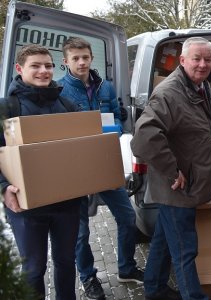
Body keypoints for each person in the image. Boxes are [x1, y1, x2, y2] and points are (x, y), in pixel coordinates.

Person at [131, 37, 211, 300]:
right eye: (196, 59)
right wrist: (171, 170)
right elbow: (143, 137)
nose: (202, 65)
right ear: (182, 61)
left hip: (190, 181)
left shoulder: (200, 85)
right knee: (185, 249)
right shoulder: (169, 93)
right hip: (178, 185)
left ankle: (154, 288)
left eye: (208, 60)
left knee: (165, 240)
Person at [58, 36, 143, 300]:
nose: (82, 62)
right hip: (76, 169)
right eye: (76, 58)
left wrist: (116, 127)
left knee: (127, 217)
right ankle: (88, 277)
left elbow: (117, 114)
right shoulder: (59, 90)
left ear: (91, 58)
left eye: (85, 57)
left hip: (105, 162)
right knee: (80, 232)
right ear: (66, 62)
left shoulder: (105, 87)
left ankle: (126, 268)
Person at [0, 44, 85, 300]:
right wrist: (4, 187)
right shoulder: (7, 108)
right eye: (35, 66)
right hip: (27, 206)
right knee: (34, 269)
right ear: (19, 69)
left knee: (66, 262)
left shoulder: (67, 104)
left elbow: (81, 151)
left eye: (47, 65)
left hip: (67, 203)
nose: (43, 71)